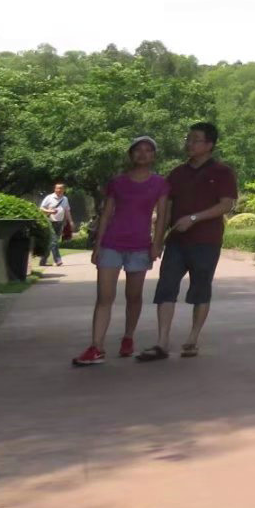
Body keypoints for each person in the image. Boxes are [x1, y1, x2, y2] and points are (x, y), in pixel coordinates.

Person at [138, 122, 237, 362]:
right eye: (189, 139)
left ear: (209, 145)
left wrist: (194, 218)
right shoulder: (177, 173)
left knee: (201, 289)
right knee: (166, 287)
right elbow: (166, 208)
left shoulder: (222, 172)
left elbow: (227, 204)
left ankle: (192, 338)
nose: (189, 144)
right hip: (177, 241)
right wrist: (158, 240)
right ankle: (162, 342)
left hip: (206, 241)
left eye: (196, 140)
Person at [72, 137, 168, 366]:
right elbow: (106, 214)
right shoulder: (117, 182)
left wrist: (157, 244)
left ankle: (128, 337)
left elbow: (162, 216)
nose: (143, 154)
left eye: (148, 151)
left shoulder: (160, 184)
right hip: (112, 244)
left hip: (139, 247)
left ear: (153, 156)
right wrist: (97, 245)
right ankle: (96, 346)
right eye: (138, 150)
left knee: (133, 296)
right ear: (131, 155)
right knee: (104, 297)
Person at [38, 182, 75, 267]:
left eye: (61, 188)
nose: (59, 190)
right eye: (57, 188)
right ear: (54, 189)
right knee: (53, 241)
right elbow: (41, 208)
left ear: (63, 190)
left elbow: (67, 211)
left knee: (51, 242)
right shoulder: (49, 197)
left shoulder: (65, 199)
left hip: (60, 222)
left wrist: (71, 221)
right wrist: (50, 211)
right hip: (50, 221)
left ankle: (43, 260)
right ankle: (58, 260)